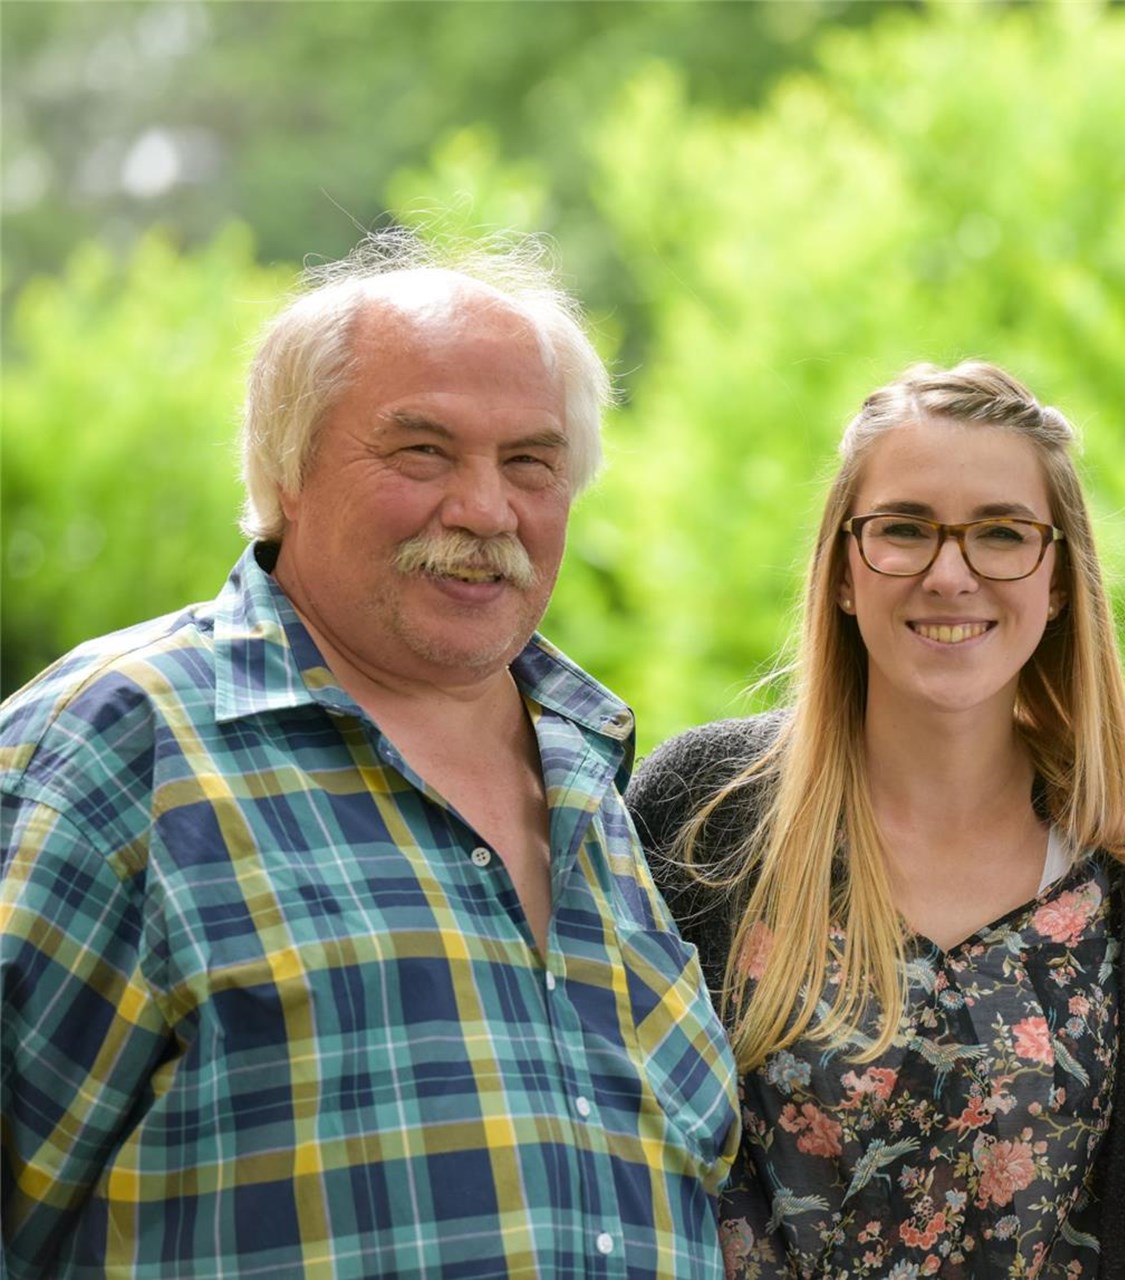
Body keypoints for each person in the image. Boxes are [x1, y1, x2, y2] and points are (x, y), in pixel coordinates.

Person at [0, 229, 738, 1276]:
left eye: (531, 461)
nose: (485, 509)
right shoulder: (125, 742)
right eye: (422, 450)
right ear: (286, 468)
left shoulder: (593, 776)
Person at [626, 361, 1125, 1279]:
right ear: (844, 571)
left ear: (1057, 583)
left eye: (1003, 534)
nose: (950, 574)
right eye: (904, 530)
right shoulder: (706, 812)